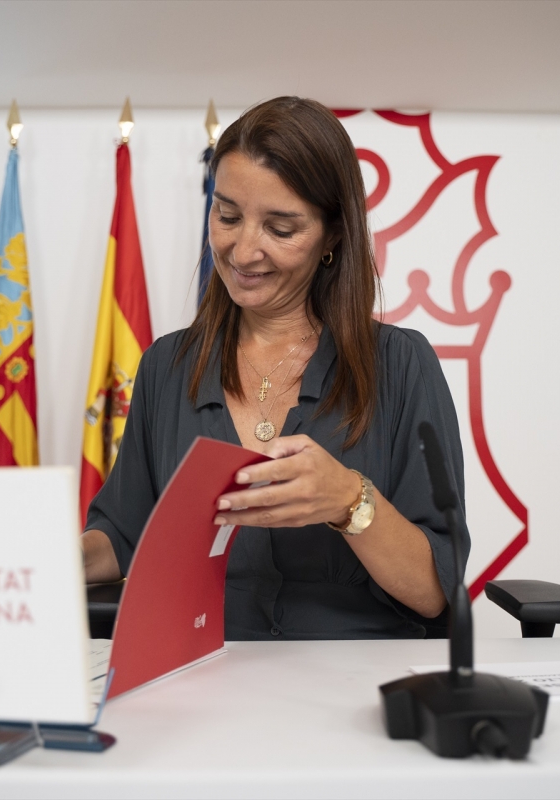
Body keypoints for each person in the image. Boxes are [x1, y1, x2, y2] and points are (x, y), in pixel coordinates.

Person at [81, 96, 467, 640]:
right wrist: (51, 560)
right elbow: (123, 535)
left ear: (333, 235)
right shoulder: (167, 366)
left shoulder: (402, 366)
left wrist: (348, 500)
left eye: (280, 229)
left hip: (352, 678)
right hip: (204, 670)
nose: (242, 252)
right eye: (227, 216)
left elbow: (434, 591)